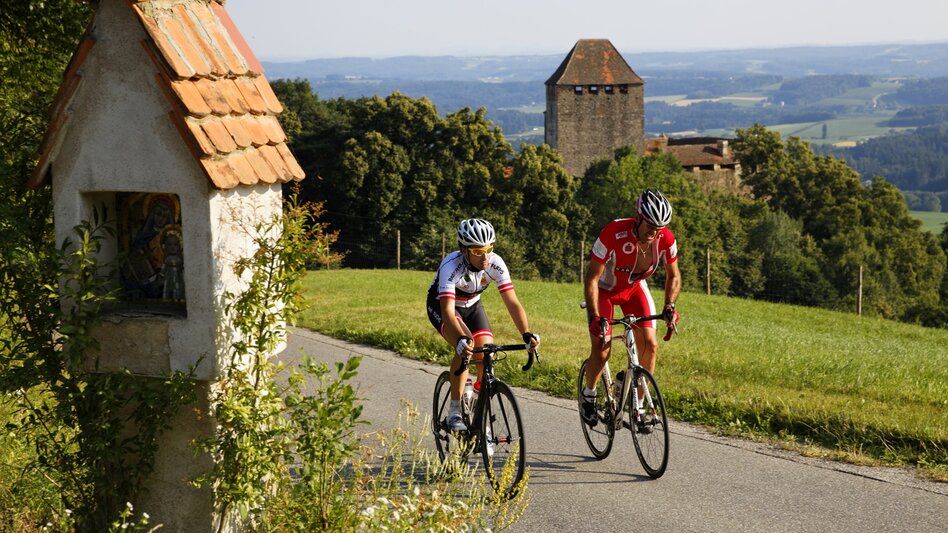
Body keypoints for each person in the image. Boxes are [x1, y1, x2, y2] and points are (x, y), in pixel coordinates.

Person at [427, 218, 540, 431]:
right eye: (478, 251)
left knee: (488, 351)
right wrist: (461, 339)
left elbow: (512, 302)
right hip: (444, 307)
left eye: (489, 249)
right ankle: (454, 412)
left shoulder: (496, 263)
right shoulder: (451, 266)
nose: (485, 257)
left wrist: (526, 333)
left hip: (472, 305)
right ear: (464, 250)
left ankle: (479, 401)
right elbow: (448, 311)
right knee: (466, 348)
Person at [581, 189, 681, 427]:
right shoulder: (614, 232)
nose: (654, 233)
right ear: (637, 218)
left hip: (634, 289)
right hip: (605, 290)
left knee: (650, 344)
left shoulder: (666, 239)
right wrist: (595, 317)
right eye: (650, 226)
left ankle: (639, 407)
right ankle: (589, 394)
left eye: (659, 228)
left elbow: (674, 275)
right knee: (602, 348)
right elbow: (592, 277)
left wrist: (669, 305)